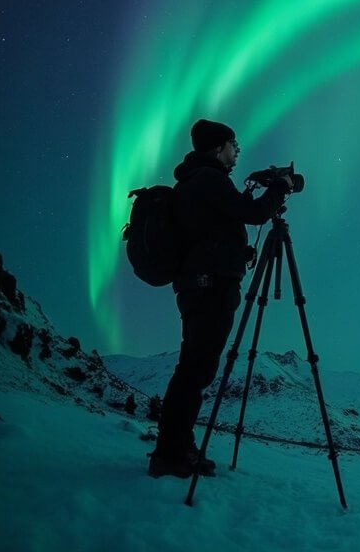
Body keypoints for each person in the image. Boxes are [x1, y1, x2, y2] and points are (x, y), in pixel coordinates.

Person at [148, 119, 293, 479]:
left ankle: (179, 446)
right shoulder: (210, 180)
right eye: (233, 144)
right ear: (217, 148)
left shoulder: (195, 181)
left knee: (192, 369)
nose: (238, 150)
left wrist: (236, 253)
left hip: (199, 283)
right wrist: (281, 189)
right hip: (210, 286)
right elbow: (256, 214)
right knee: (195, 372)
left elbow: (215, 227)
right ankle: (170, 455)